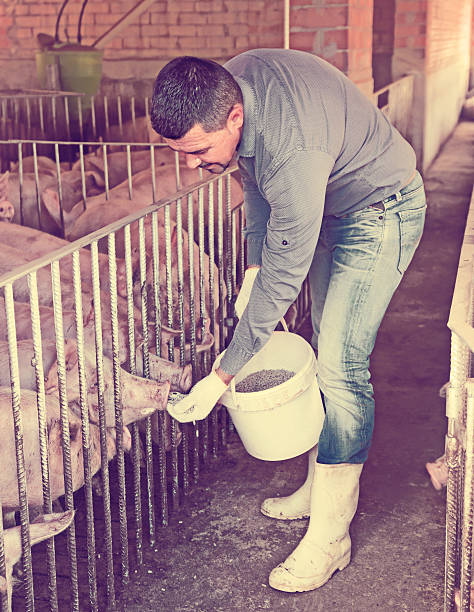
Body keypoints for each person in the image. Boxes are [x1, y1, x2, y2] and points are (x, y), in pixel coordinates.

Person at [150, 49, 426, 593]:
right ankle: (320, 485)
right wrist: (254, 259)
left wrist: (222, 375)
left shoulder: (293, 150)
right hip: (331, 201)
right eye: (179, 152)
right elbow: (254, 181)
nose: (189, 164)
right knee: (326, 346)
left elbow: (283, 277)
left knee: (342, 369)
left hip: (379, 210)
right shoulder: (236, 86)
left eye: (198, 150)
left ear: (233, 117)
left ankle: (332, 537)